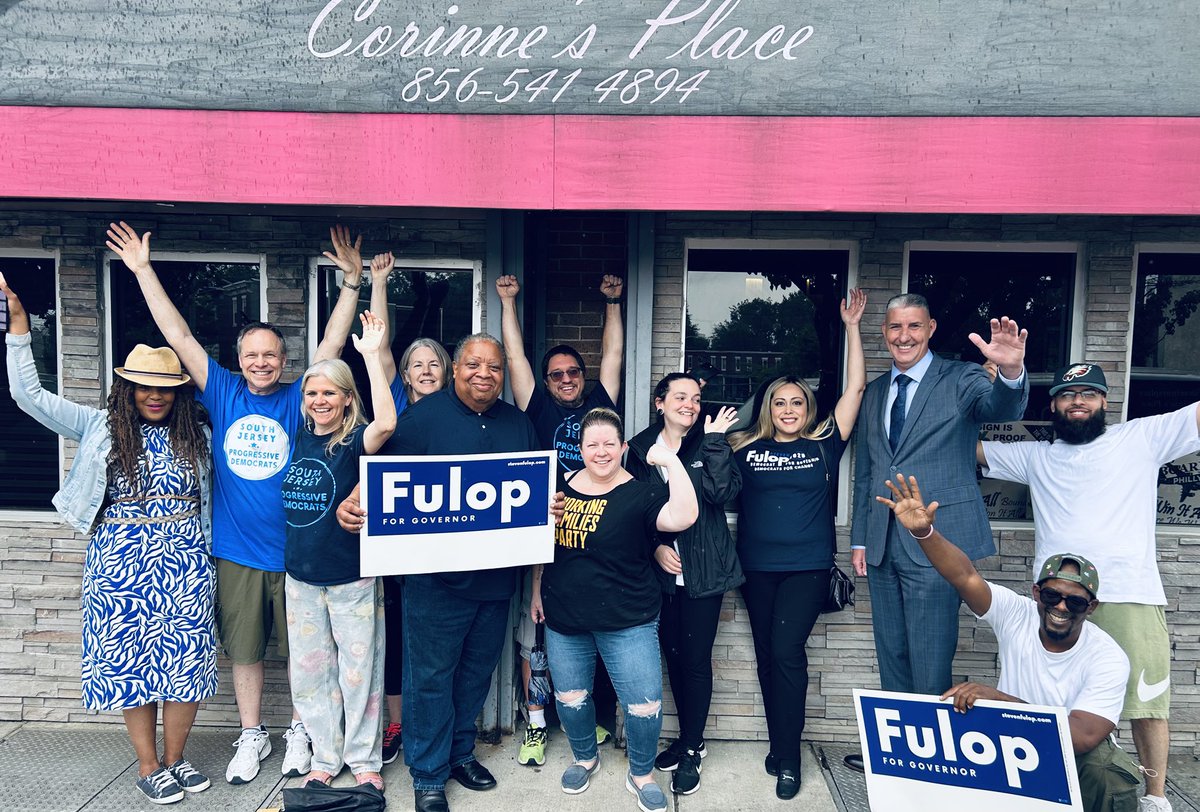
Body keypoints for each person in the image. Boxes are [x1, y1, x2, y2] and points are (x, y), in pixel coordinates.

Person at [108, 222, 367, 784]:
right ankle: (252, 736)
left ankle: (301, 730)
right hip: (237, 551)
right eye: (251, 354)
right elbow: (178, 336)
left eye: (270, 355)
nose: (261, 363)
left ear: (282, 359)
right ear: (239, 358)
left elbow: (331, 350)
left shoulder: (303, 399)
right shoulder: (221, 390)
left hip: (300, 552)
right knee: (245, 651)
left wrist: (350, 286)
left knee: (307, 656)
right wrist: (142, 271)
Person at [3, 273, 217, 805]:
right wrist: (20, 329)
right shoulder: (98, 425)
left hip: (187, 560)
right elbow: (26, 395)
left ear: (177, 392)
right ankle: (148, 766)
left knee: (186, 665)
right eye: (143, 385)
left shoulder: (200, 433)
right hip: (119, 563)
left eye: (164, 387)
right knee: (133, 667)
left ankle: (176, 758)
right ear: (127, 387)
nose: (153, 395)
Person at [978, 362, 1200, 812]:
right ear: (1054, 405)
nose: (1078, 401)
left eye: (1089, 393)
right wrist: (981, 389)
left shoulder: (1140, 437)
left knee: (1146, 703)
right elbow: (963, 447)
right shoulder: (1035, 455)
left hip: (1129, 592)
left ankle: (1155, 798)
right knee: (1049, 696)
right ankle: (1040, 786)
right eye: (1067, 394)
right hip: (1060, 599)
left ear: (1104, 403)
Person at [336, 333, 543, 812]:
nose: (484, 375)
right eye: (474, 365)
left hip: (495, 582)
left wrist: (546, 507)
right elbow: (377, 478)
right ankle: (427, 775)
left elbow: (535, 492)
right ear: (456, 369)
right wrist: (354, 501)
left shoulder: (519, 425)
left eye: (494, 367)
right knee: (429, 677)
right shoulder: (420, 420)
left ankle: (458, 754)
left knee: (474, 675)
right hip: (433, 583)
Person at [876, 474, 1141, 812]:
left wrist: (1000, 700)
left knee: (1106, 773)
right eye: (1052, 595)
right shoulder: (1018, 613)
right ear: (1036, 594)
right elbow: (964, 576)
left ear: (1090, 608)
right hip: (1009, 743)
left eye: (1074, 602)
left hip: (1074, 757)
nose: (1060, 607)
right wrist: (924, 532)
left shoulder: (1106, 656)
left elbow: (1082, 736)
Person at [849, 293, 1028, 740]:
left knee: (930, 659)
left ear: (930, 329)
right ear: (884, 333)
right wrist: (859, 538)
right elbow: (868, 470)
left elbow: (999, 409)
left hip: (938, 541)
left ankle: (930, 757)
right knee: (892, 655)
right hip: (883, 543)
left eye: (913, 326)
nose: (903, 336)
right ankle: (900, 751)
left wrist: (1009, 371)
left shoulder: (961, 378)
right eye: (894, 327)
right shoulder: (874, 392)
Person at [727, 288, 867, 798]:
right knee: (767, 655)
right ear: (769, 407)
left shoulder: (825, 444)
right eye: (780, 402)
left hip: (806, 568)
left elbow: (854, 391)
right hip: (755, 569)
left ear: (809, 408)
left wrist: (851, 327)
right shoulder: (745, 446)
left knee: (787, 653)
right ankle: (778, 741)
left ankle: (789, 757)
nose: (788, 409)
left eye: (797, 402)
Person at [532, 407, 698, 812]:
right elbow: (539, 544)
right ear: (580, 449)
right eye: (593, 445)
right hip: (565, 617)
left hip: (629, 618)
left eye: (610, 444)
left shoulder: (641, 492)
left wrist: (671, 461)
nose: (601, 452)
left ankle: (641, 774)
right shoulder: (558, 489)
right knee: (570, 698)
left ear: (623, 448)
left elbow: (683, 515)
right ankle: (584, 757)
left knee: (643, 705)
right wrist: (536, 590)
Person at [496, 273, 625, 766]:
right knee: (536, 637)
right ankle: (534, 724)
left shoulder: (601, 403)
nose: (567, 379)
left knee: (588, 632)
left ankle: (586, 714)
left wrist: (612, 303)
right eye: (558, 374)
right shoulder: (538, 405)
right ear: (547, 382)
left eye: (574, 372)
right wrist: (509, 302)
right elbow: (516, 359)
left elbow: (612, 356)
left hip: (596, 535)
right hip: (546, 535)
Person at [283, 311, 396, 791]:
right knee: (311, 676)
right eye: (312, 393)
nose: (319, 400)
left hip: (352, 577)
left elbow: (388, 422)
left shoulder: (356, 441)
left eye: (329, 392)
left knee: (359, 675)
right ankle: (326, 757)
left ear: (348, 398)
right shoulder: (298, 435)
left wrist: (371, 355)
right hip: (300, 578)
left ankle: (365, 760)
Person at [626, 373, 743, 796]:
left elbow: (722, 493)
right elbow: (632, 508)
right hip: (660, 575)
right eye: (680, 397)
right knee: (673, 656)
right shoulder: (638, 449)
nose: (690, 405)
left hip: (704, 570)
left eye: (696, 398)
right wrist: (656, 546)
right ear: (660, 402)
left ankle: (693, 746)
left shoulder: (707, 441)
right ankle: (686, 737)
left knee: (694, 659)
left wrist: (715, 443)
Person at [366, 251, 455, 767]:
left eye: (433, 364)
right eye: (416, 365)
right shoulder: (392, 406)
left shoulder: (459, 413)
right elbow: (376, 351)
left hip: (443, 542)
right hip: (396, 543)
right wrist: (380, 283)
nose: (425, 370)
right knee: (396, 633)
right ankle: (397, 723)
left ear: (445, 373)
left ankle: (430, 728)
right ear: (404, 373)